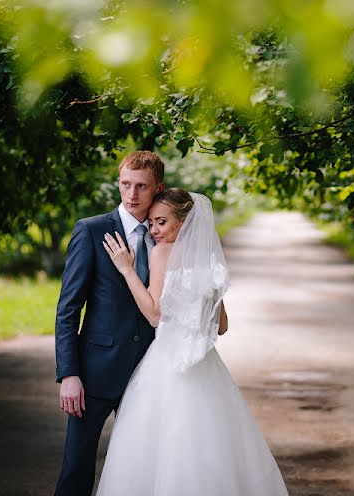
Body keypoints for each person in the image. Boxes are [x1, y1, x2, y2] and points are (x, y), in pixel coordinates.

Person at [96, 188, 289, 496]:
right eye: (152, 224)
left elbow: (155, 316)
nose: (154, 231)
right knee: (211, 444)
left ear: (183, 223)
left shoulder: (160, 253)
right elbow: (222, 325)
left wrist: (127, 270)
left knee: (159, 446)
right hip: (205, 361)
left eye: (161, 222)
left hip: (166, 360)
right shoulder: (209, 261)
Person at [54, 151, 165, 496]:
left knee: (141, 469)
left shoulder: (163, 235)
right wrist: (69, 374)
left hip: (148, 373)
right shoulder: (91, 231)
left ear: (157, 189)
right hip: (95, 374)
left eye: (142, 187)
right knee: (77, 468)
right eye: (125, 184)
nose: (132, 195)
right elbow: (68, 310)